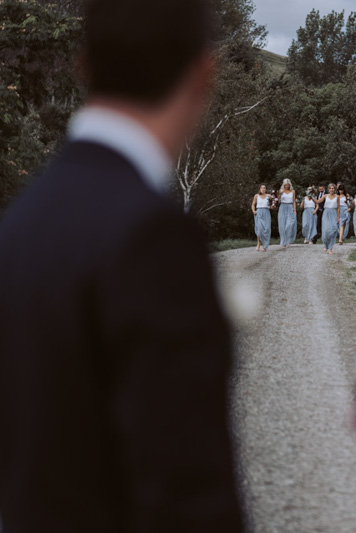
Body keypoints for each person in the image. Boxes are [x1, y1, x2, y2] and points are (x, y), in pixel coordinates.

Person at [0, 0, 245, 531]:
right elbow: (187, 493)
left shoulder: (18, 223)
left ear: (83, 64)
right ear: (204, 73)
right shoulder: (153, 235)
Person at [315, 183, 340, 254]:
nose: (331, 189)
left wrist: (338, 217)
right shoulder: (325, 196)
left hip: (334, 213)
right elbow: (317, 201)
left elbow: (338, 208)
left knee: (333, 230)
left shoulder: (337, 197)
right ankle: (326, 245)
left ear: (334, 189)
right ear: (328, 189)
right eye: (330, 188)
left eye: (333, 188)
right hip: (326, 213)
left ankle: (331, 248)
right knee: (326, 231)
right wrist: (312, 197)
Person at [252, 184, 272, 251]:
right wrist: (254, 210)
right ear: (260, 189)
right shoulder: (256, 196)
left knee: (266, 229)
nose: (263, 189)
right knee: (259, 229)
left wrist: (272, 206)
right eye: (262, 188)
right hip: (259, 212)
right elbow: (253, 205)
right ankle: (258, 243)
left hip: (266, 212)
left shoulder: (269, 196)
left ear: (266, 189)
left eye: (264, 188)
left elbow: (271, 205)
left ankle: (264, 245)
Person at [277, 179, 297, 248]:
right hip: (282, 207)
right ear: (283, 184)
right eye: (285, 185)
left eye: (287, 185)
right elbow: (278, 199)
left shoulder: (293, 191)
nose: (286, 186)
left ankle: (288, 240)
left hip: (290, 207)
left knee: (289, 225)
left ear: (289, 185)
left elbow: (294, 201)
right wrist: (279, 194)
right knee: (282, 226)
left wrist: (295, 210)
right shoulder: (281, 191)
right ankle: (283, 241)